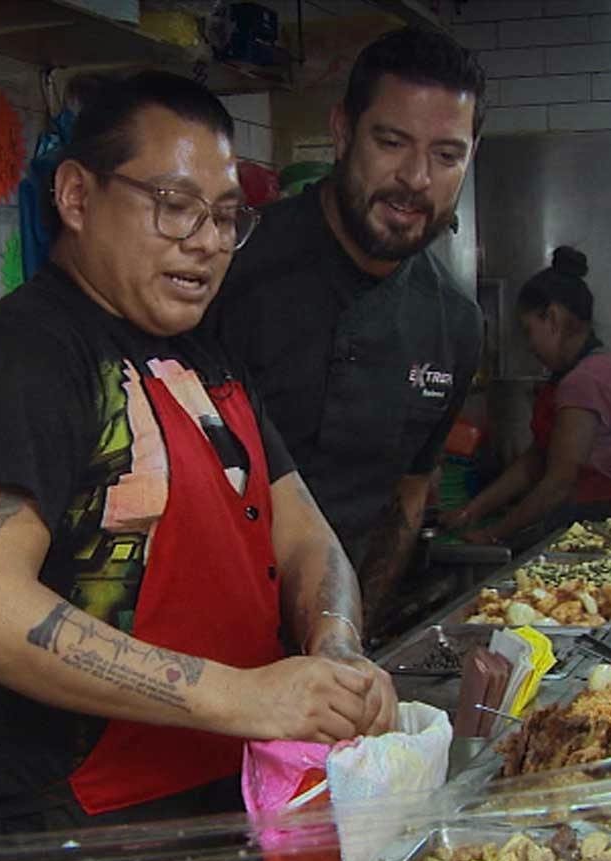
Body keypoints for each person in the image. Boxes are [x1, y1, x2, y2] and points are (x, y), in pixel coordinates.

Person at [0, 71, 396, 861]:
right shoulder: (24, 359)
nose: (207, 242)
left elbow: (305, 532)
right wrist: (245, 696)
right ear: (75, 196)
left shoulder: (205, 351)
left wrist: (333, 648)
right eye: (174, 206)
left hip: (224, 825)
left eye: (226, 217)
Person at [204, 27, 486, 621]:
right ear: (341, 131)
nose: (416, 177)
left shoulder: (455, 324)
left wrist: (354, 637)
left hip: (336, 638)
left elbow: (409, 495)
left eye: (446, 155)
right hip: (202, 639)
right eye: (392, 142)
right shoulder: (228, 267)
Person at [443, 246, 611, 542]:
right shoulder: (593, 368)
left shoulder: (584, 381)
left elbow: (558, 482)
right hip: (585, 523)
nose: (529, 345)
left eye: (528, 331)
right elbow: (536, 459)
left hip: (601, 531)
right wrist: (473, 510)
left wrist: (495, 534)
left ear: (552, 318)